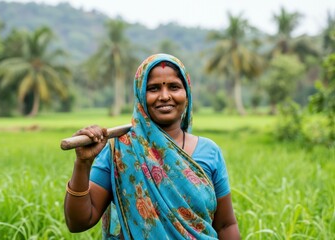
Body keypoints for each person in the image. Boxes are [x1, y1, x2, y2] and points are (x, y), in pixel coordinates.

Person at [64, 53, 240, 239]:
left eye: (174, 87)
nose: (165, 96)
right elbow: (78, 222)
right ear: (140, 95)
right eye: (153, 88)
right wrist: (82, 163)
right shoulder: (120, 150)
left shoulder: (209, 152)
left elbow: (225, 225)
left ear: (186, 94)